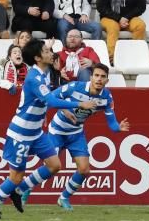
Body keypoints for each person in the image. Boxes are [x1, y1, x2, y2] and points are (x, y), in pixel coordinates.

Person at [0, 38, 97, 219]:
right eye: (46, 51)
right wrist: (79, 104)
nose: (50, 54)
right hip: (21, 133)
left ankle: (19, 191)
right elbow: (50, 100)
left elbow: (49, 97)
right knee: (16, 175)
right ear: (37, 58)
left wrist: (65, 108)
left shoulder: (44, 73)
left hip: (36, 132)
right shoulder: (34, 78)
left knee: (54, 165)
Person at [24, 65, 129, 210]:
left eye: (102, 77)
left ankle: (64, 198)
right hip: (58, 130)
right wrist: (64, 109)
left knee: (85, 170)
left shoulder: (106, 97)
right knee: (52, 167)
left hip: (76, 134)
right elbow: (51, 97)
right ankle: (25, 187)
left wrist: (118, 127)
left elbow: (111, 123)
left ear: (107, 80)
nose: (99, 79)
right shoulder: (75, 87)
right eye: (96, 75)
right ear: (91, 77)